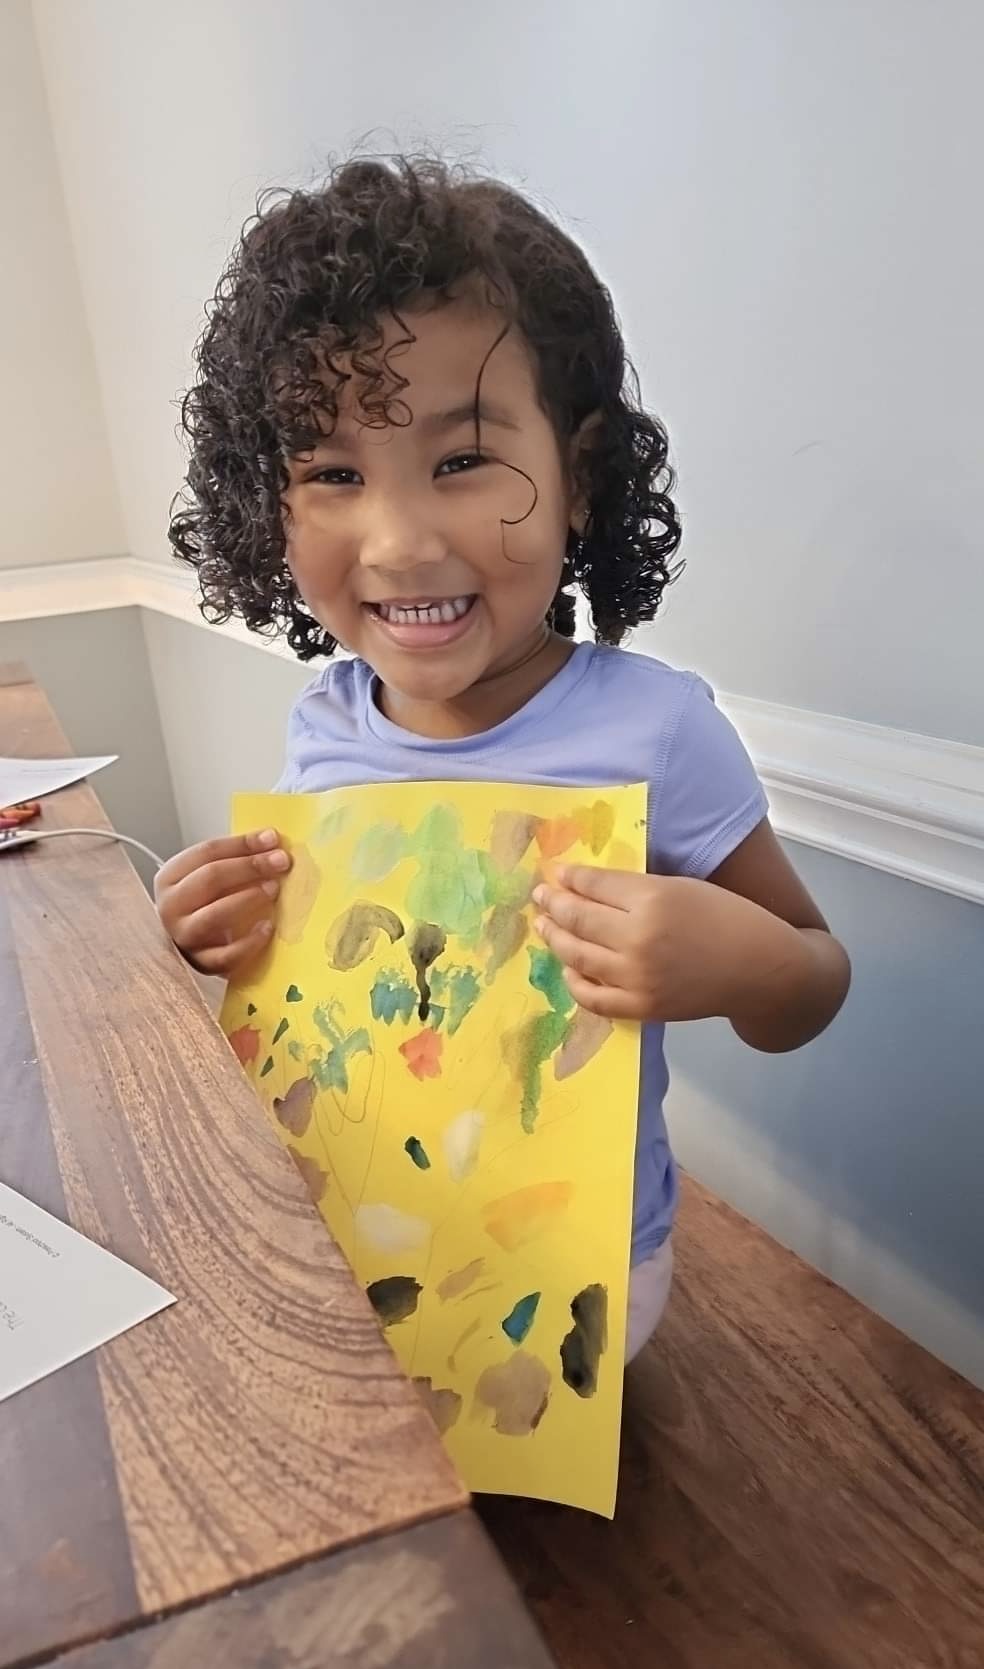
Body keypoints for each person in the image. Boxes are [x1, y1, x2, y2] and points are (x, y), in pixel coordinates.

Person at [155, 156, 850, 1360]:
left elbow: (813, 980)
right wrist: (210, 935)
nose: (399, 541)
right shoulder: (324, 726)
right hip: (358, 1238)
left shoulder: (658, 731)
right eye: (332, 473)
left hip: (580, 1274)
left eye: (462, 460)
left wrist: (735, 959)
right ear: (269, 501)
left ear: (579, 475)